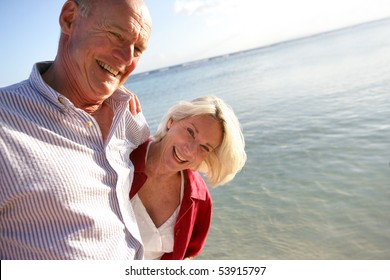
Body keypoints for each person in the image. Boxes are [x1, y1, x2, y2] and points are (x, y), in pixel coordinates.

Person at [0, 0, 152, 259]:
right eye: (116, 34)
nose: (127, 59)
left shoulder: (128, 116)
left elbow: (154, 163)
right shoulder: (7, 121)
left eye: (137, 49)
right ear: (69, 19)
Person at [129, 96, 247, 260]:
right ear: (172, 121)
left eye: (204, 147)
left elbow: (187, 255)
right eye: (190, 132)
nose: (190, 150)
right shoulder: (121, 159)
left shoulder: (199, 198)